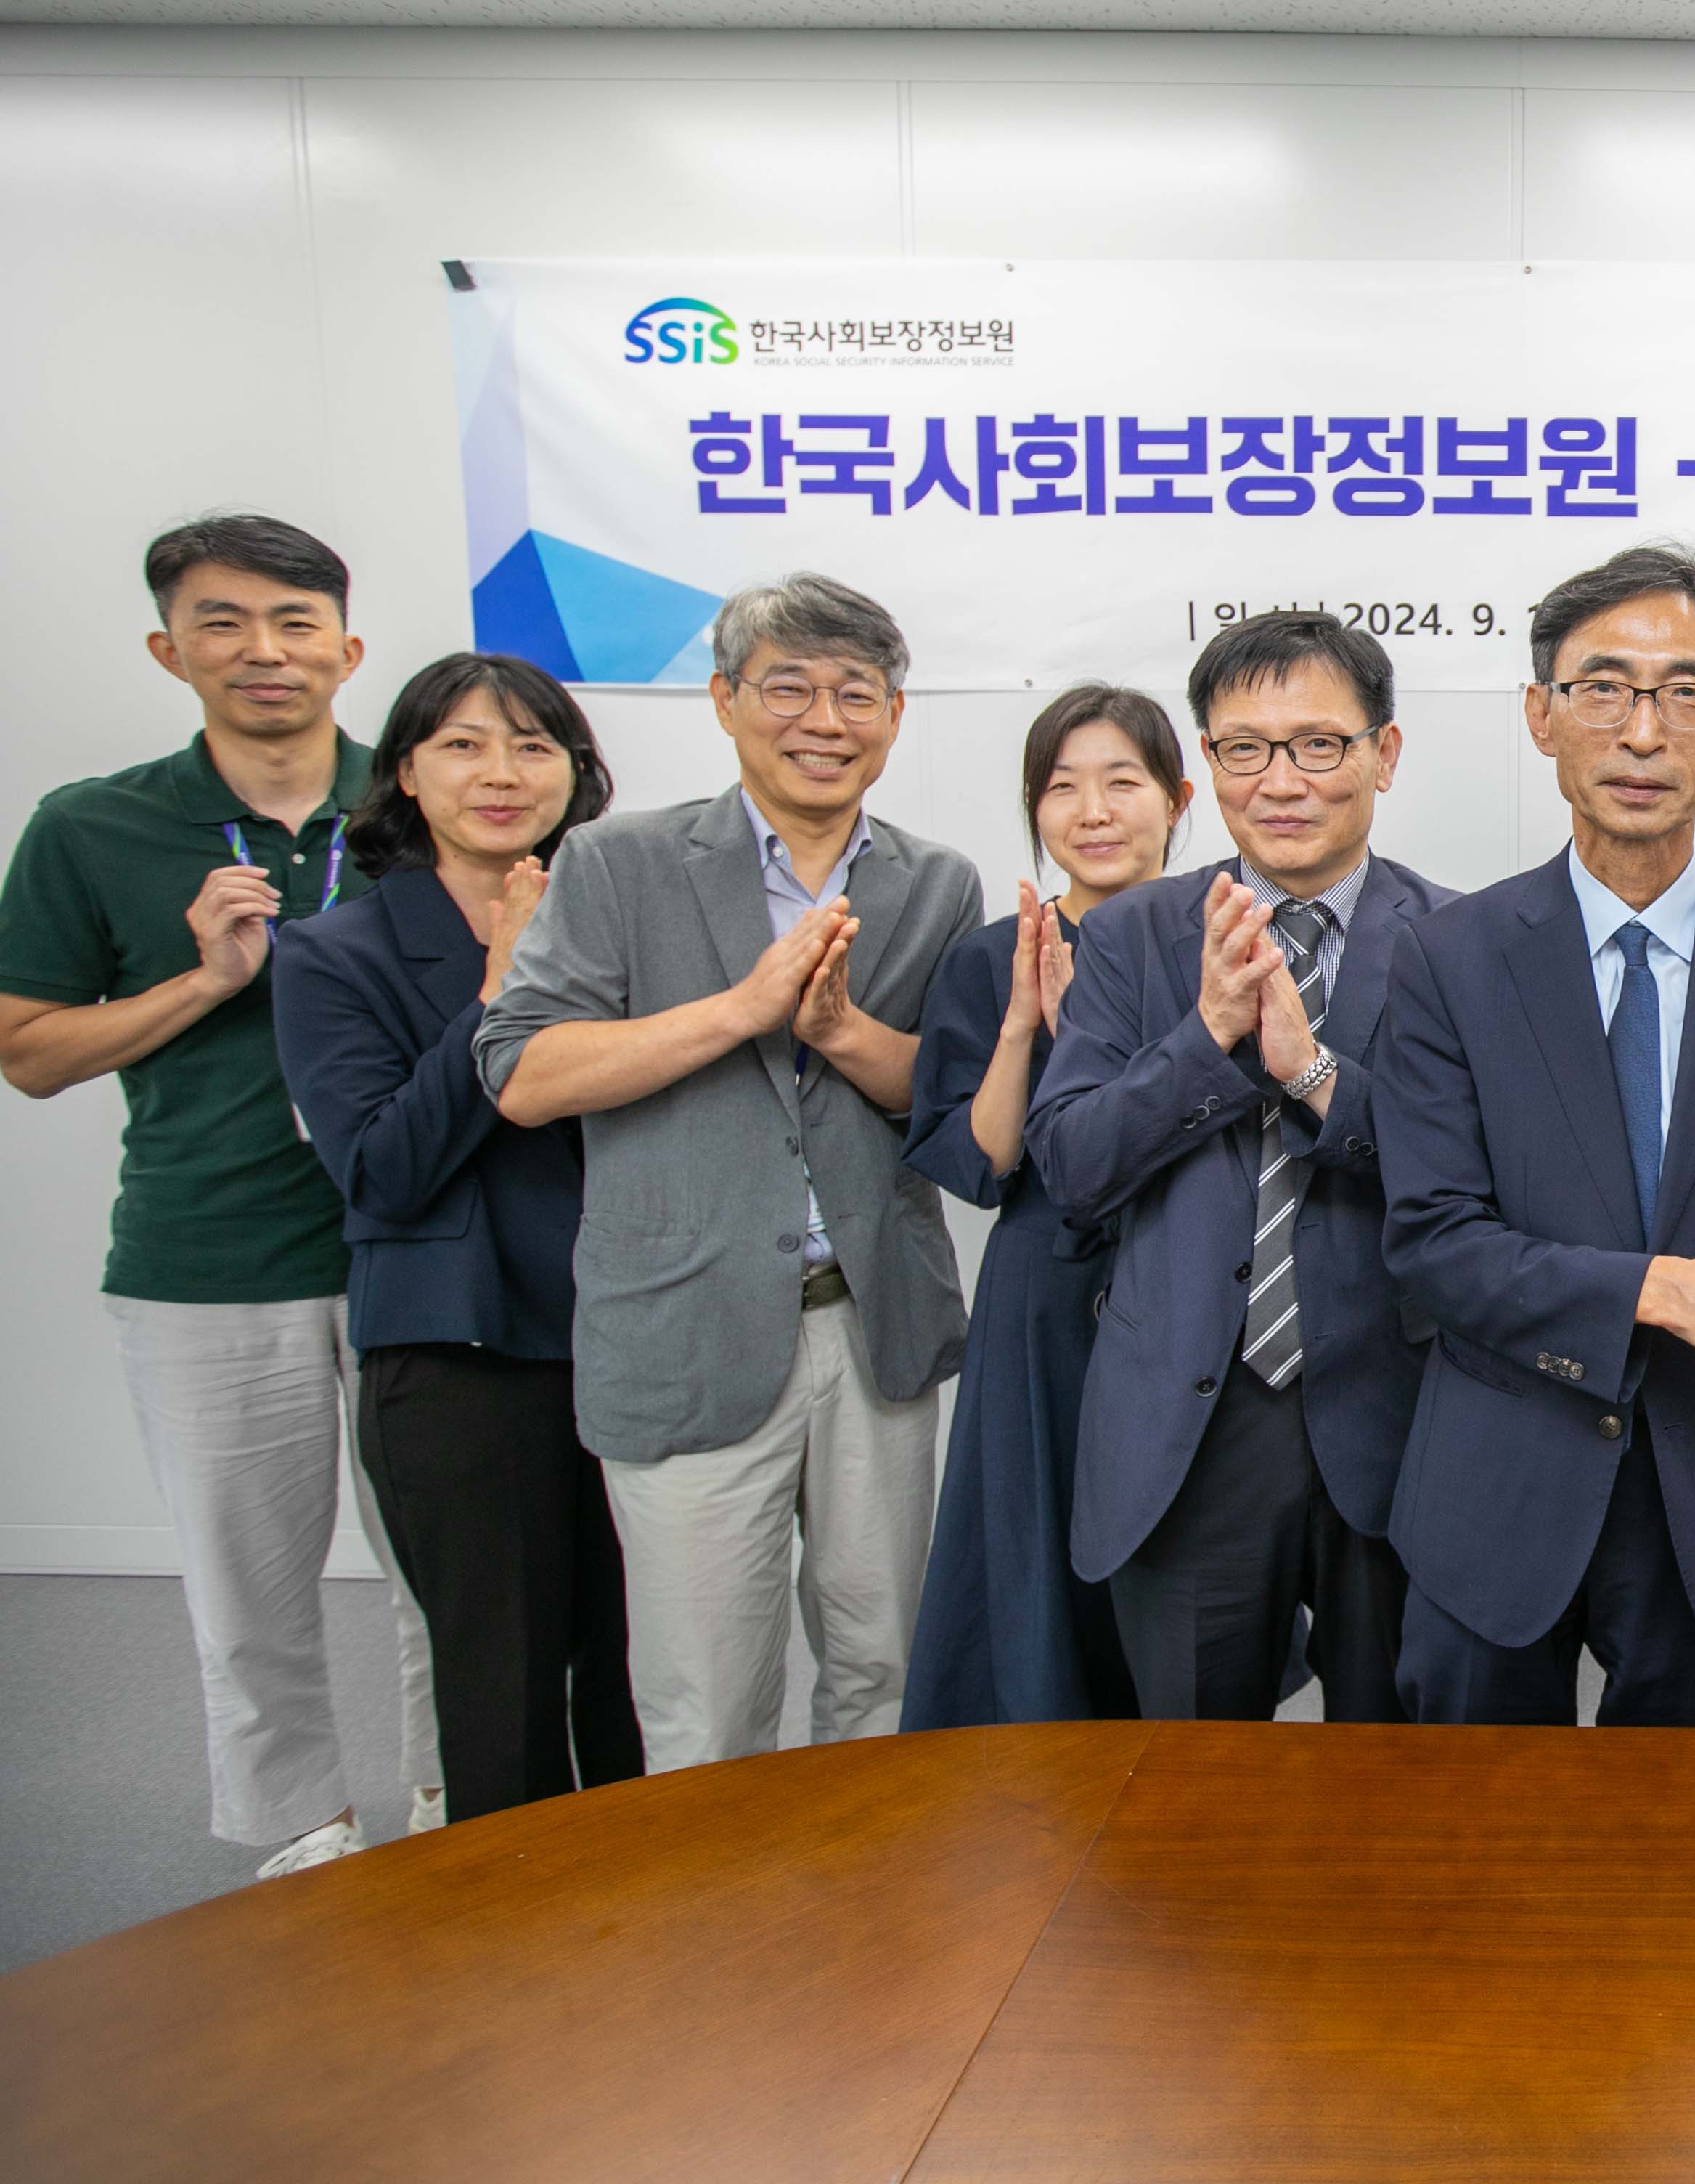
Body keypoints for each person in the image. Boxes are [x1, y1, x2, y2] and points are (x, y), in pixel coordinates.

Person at [475, 573, 983, 1770]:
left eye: (856, 692)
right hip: (685, 1329)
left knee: (883, 1662)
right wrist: (741, 1009)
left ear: (895, 717)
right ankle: (720, 1946)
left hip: (873, 1328)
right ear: (724, 701)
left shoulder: (935, 881)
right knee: (709, 1693)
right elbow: (521, 1073)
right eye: (789, 687)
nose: (825, 719)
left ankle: (874, 1915)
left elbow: (943, 1099)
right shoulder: (619, 864)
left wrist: (847, 1035)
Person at [1373, 545, 1695, 1725]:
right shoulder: (1452, 960)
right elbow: (1433, 1245)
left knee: (1679, 1870)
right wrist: (1662, 1292)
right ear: (1541, 716)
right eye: (1603, 688)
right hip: (1497, 1489)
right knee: (1480, 1854)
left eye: (1685, 694)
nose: (1643, 733)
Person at [0, 516, 439, 1878]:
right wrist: (200, 983)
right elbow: (27, 1051)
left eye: (297, 623)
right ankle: (301, 1828)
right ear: (168, 647)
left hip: (422, 1253)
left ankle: (454, 1808)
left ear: (348, 647)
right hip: (209, 1258)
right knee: (248, 1590)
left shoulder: (429, 801)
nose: (265, 651)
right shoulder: (95, 826)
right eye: (225, 621)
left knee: (452, 1573)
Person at [1027, 616, 1454, 1722]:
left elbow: (1480, 1180)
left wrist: (1311, 1074)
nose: (1282, 782)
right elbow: (1071, 1169)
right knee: (1194, 1801)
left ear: (1384, 754)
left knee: (1403, 1784)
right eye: (1244, 749)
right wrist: (1204, 1037)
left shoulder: (1462, 943)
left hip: (1398, 1421)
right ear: (1205, 766)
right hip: (1189, 1429)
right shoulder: (1132, 936)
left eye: (1318, 745)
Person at [271, 652, 644, 1820]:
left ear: (576, 776)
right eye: (465, 746)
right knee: (505, 1693)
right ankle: (513, 1964)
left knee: (637, 1682)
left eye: (535, 746)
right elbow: (383, 1173)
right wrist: (497, 988)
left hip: (633, 1346)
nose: (502, 772)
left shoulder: (619, 925)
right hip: (465, 1361)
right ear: (405, 775)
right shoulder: (336, 954)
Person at [896, 686, 1193, 1729]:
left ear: (1178, 799)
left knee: (1178, 1558)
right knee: (1034, 1551)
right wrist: (1027, 1027)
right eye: (1062, 788)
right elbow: (983, 1167)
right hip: (1042, 1292)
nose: (1094, 811)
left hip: (1182, 1278)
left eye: (1123, 782)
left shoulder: (1218, 934)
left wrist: (1109, 1041)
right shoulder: (989, 956)